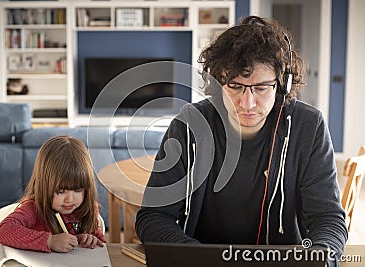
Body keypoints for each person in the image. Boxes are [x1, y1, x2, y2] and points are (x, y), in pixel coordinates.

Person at [135, 16, 348, 266]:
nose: (247, 104)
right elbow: (153, 216)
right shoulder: (188, 125)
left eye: (260, 88)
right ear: (217, 82)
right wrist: (197, 257)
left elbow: (328, 218)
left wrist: (319, 258)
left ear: (282, 85)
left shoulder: (308, 127)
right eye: (235, 86)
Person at [0, 136, 106, 253]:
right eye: (61, 191)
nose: (69, 199)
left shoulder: (89, 208)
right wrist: (49, 241)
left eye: (78, 190)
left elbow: (101, 245)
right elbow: (3, 230)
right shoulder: (33, 208)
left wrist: (89, 240)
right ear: (44, 185)